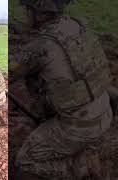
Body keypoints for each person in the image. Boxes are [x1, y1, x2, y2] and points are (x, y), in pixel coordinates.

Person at [11, 0, 118, 179]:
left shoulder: (41, 46)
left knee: (25, 161)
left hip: (80, 127)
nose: (25, 15)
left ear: (38, 13)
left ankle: (79, 170)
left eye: (27, 9)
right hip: (104, 110)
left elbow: (10, 71)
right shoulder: (77, 25)